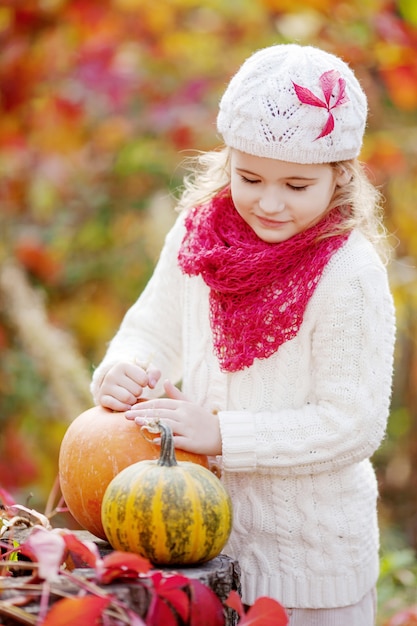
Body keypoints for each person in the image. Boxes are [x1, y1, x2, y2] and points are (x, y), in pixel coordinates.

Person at [90, 43, 396, 625]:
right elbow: (151, 330)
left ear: (340, 177)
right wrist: (122, 370)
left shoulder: (348, 273)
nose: (271, 203)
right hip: (197, 550)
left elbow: (350, 423)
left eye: (298, 186)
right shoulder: (198, 234)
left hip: (308, 567)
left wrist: (221, 433)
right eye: (250, 177)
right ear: (226, 159)